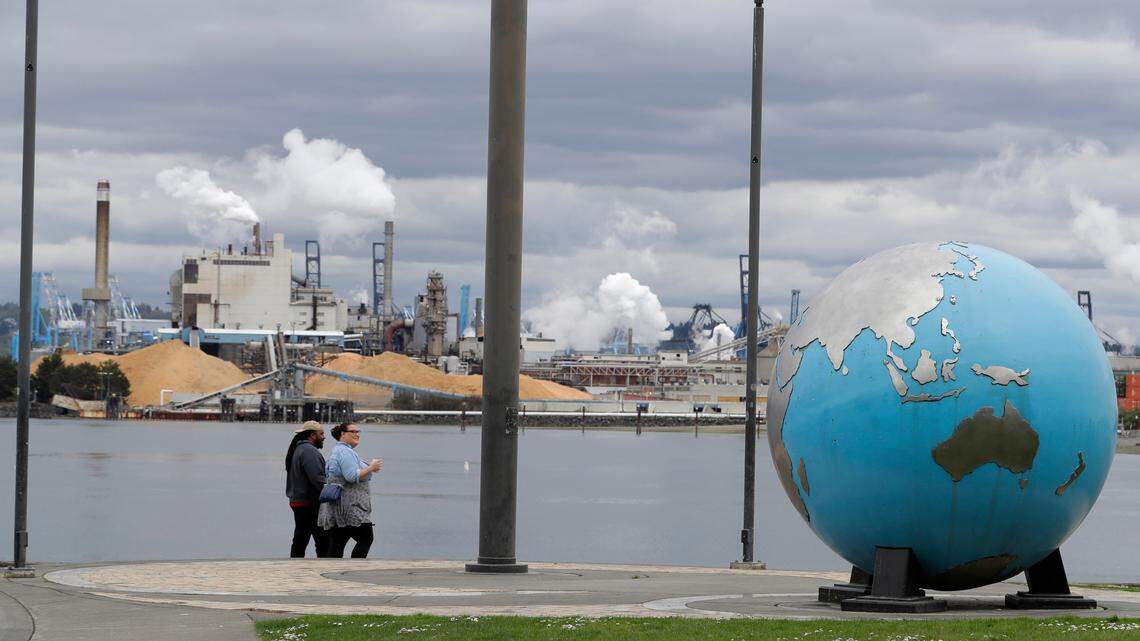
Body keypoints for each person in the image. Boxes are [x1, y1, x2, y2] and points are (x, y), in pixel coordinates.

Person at [319, 422, 382, 558]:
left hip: (339, 506)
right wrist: (372, 467)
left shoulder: (340, 451)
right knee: (366, 538)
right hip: (351, 507)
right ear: (342, 434)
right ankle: (354, 568)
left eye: (358, 431)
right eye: (353, 431)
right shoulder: (344, 452)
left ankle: (331, 571)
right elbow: (352, 476)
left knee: (338, 541)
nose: (357, 434)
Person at [286, 420, 328, 558]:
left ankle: (295, 564)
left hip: (297, 500)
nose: (324, 437)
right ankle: (323, 566)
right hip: (309, 502)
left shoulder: (298, 449)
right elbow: (317, 479)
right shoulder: (309, 451)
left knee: (301, 536)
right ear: (312, 435)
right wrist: (332, 489)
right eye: (321, 434)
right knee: (322, 538)